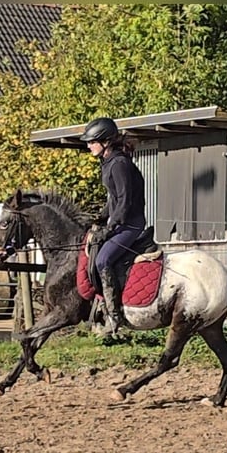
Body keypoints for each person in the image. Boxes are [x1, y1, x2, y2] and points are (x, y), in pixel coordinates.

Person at [80, 117, 146, 335]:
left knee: (103, 259)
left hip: (131, 224)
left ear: (106, 142)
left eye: (92, 142)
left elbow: (125, 202)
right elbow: (113, 200)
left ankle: (114, 315)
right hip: (120, 221)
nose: (88, 146)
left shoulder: (119, 164)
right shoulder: (109, 162)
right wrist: (100, 218)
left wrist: (111, 227)